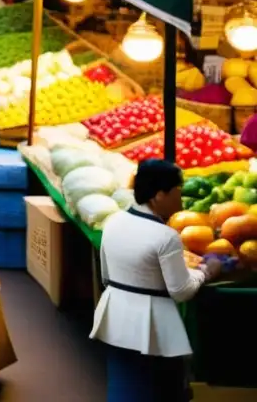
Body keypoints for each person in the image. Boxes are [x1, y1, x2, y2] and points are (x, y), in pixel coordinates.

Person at [92, 159, 220, 402]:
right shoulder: (166, 236)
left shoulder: (113, 222)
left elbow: (106, 275)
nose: (181, 201)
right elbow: (181, 290)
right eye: (177, 193)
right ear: (158, 196)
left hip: (115, 314)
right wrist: (206, 272)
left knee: (124, 382)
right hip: (153, 326)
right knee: (157, 389)